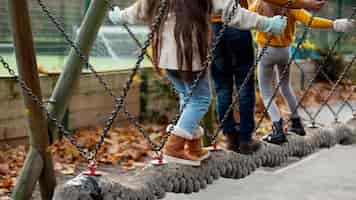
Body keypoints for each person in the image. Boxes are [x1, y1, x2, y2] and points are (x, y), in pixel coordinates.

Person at [109, 0, 287, 166]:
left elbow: (140, 9)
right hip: (188, 53)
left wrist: (120, 16)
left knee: (187, 98)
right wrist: (268, 24)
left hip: (165, 54)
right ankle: (174, 147)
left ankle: (192, 146)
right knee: (200, 99)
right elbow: (234, 12)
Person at [211, 0, 327, 154]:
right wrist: (331, 22)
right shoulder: (289, 8)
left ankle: (231, 138)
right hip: (239, 23)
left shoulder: (258, 6)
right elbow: (308, 20)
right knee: (246, 85)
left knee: (223, 88)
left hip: (212, 27)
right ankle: (246, 138)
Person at [251, 0, 356, 144]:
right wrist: (334, 24)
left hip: (266, 51)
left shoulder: (258, 4)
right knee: (285, 87)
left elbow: (245, 17)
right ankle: (297, 124)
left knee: (267, 93)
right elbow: (310, 20)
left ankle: (278, 130)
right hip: (285, 52)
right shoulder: (292, 5)